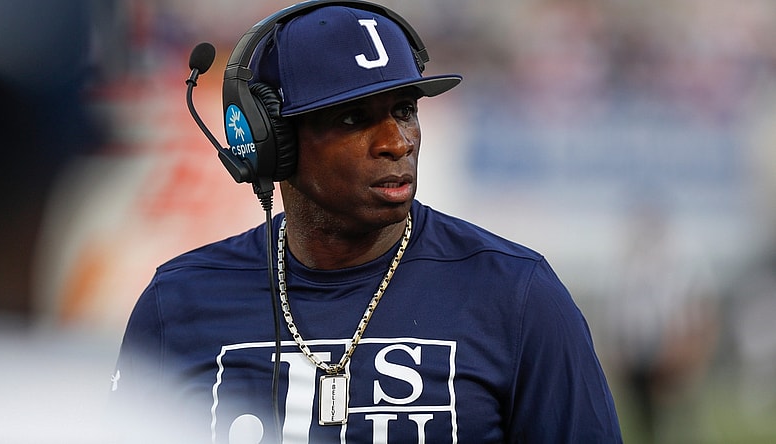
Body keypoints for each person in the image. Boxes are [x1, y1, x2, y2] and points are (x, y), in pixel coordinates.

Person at [112, 1, 622, 443]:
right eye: (354, 118)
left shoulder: (518, 295)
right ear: (274, 144)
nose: (396, 142)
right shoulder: (177, 304)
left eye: (403, 110)